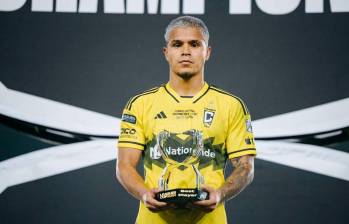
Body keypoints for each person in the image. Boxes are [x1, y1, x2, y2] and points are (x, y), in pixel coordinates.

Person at [116, 16, 256, 224]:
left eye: (194, 44)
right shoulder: (140, 104)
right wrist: (145, 193)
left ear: (207, 52)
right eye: (177, 44)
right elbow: (124, 165)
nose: (185, 51)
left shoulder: (231, 105)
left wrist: (220, 194)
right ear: (166, 53)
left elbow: (246, 167)